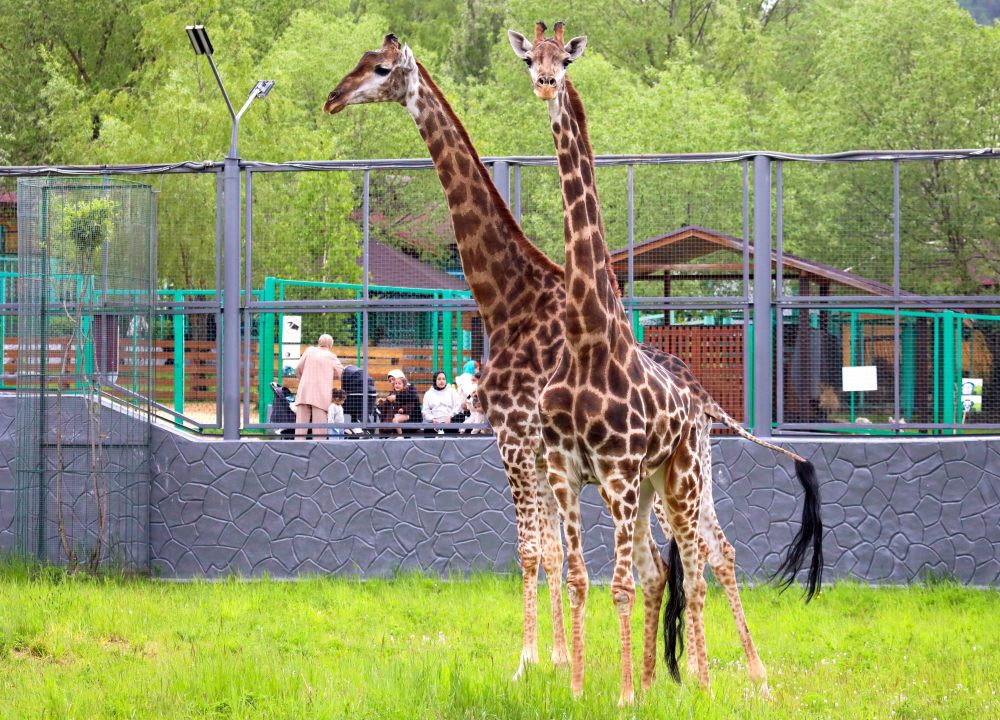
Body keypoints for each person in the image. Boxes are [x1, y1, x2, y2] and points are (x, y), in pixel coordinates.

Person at [294, 333, 344, 439]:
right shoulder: (331, 356)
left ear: (319, 342)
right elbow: (342, 374)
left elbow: (298, 368)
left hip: (304, 392)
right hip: (321, 396)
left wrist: (302, 379)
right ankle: (318, 450)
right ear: (330, 345)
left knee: (300, 428)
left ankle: (297, 446)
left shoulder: (309, 351)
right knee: (319, 430)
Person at [377, 369, 421, 433]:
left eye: (393, 379)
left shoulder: (411, 388)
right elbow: (387, 403)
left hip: (411, 420)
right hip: (396, 420)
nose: (392, 382)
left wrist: (396, 397)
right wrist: (380, 403)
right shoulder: (394, 392)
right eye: (390, 381)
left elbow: (412, 397)